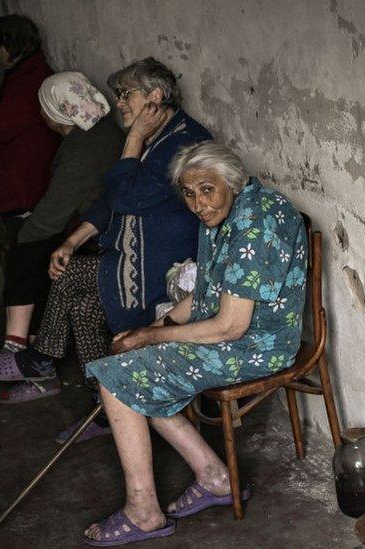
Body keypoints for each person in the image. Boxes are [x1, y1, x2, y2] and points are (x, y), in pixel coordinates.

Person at [0, 58, 211, 439]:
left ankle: (50, 365)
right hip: (132, 261)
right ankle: (102, 401)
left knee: (73, 287)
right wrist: (72, 240)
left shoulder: (181, 142)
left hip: (162, 272)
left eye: (125, 94)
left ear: (155, 97)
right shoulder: (155, 138)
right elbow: (109, 201)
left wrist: (132, 140)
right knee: (75, 291)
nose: (119, 104)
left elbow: (126, 196)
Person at [80, 142, 309, 545]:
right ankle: (216, 478)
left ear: (230, 181)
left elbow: (229, 327)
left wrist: (150, 336)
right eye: (189, 193)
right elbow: (205, 296)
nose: (199, 203)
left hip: (257, 345)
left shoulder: (256, 223)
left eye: (207, 189)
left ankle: (144, 511)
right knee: (134, 365)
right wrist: (151, 328)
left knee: (120, 380)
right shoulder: (225, 212)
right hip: (232, 334)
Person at [0, 71, 124, 403]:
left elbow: (50, 218)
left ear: (58, 111)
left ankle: (20, 350)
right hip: (98, 226)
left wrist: (26, 235)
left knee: (29, 248)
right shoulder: (100, 129)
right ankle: (35, 361)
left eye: (44, 108)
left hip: (108, 236)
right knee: (41, 249)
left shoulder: (85, 149)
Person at [0, 14, 59, 229]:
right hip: (23, 184)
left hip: (23, 187)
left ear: (10, 47)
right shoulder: (24, 76)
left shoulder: (29, 80)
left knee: (24, 252)